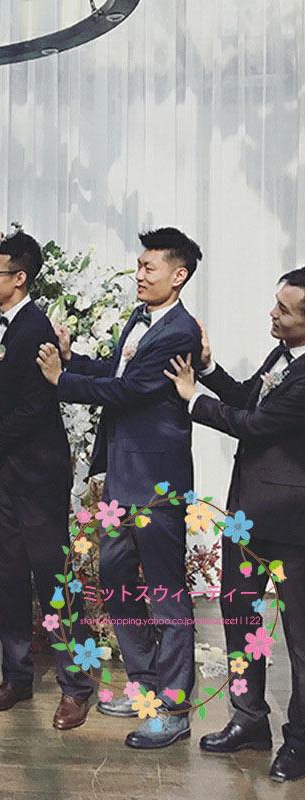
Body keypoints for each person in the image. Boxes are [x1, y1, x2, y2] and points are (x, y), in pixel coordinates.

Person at [37, 228, 203, 749]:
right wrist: (73, 361)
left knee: (166, 595)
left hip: (157, 484)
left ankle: (174, 709)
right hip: (122, 479)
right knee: (115, 580)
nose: (139, 275)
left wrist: (61, 382)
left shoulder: (180, 331)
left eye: (149, 267)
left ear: (178, 275)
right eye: (138, 266)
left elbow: (130, 389)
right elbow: (116, 370)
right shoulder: (140, 317)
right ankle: (145, 685)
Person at [0, 231, 94, 730]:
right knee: (8, 576)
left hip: (39, 474)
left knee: (53, 580)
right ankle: (17, 676)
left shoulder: (37, 328)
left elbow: (35, 408)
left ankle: (76, 686)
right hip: (6, 471)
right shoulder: (0, 319)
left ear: (20, 278)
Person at [166, 268, 305, 783]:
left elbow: (254, 424)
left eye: (284, 310)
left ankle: (301, 742)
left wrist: (192, 399)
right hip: (247, 518)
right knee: (240, 620)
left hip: (294, 528)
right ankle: (249, 720)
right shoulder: (282, 355)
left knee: (300, 641)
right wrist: (207, 367)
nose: (273, 313)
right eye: (276, 303)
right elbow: (249, 396)